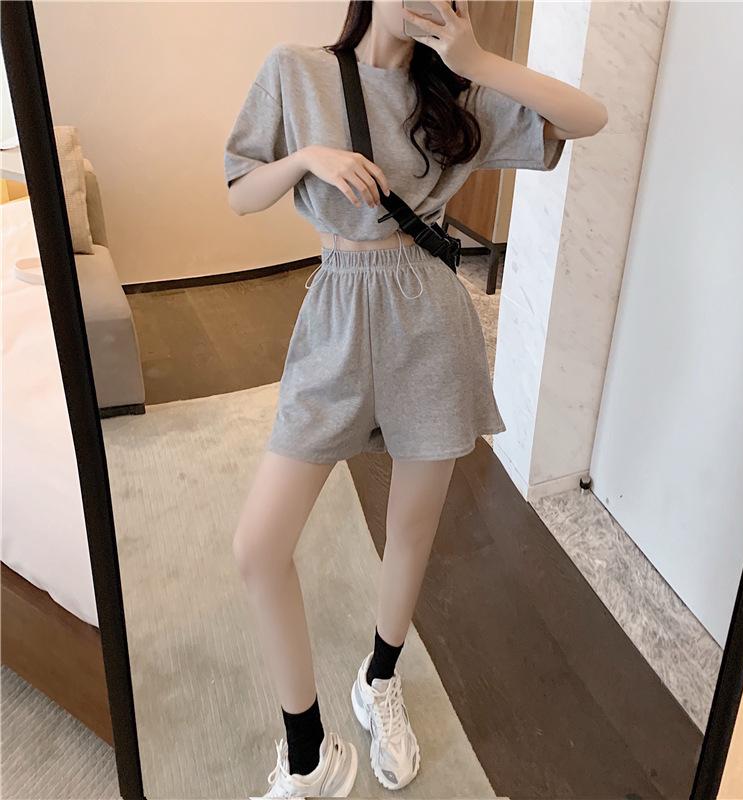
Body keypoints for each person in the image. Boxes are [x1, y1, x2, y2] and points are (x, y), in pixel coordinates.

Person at [224, 1, 607, 797]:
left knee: (412, 528)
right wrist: (309, 158)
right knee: (259, 546)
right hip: (336, 313)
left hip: (428, 319)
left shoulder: (457, 97)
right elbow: (241, 192)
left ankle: (380, 678)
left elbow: (590, 117)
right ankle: (309, 751)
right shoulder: (296, 70)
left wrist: (480, 63)